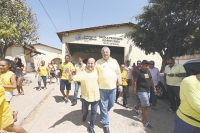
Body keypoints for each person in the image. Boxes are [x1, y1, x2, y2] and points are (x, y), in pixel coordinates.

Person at [66, 58, 99, 133]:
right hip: (85, 97)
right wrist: (70, 75)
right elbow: (73, 79)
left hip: (96, 97)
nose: (90, 65)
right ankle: (85, 114)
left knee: (94, 112)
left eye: (92, 63)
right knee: (84, 111)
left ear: (94, 64)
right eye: (88, 63)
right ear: (86, 63)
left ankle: (91, 127)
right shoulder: (82, 72)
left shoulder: (97, 70)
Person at [95, 47, 122, 133]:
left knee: (111, 103)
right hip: (102, 88)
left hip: (113, 88)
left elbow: (118, 73)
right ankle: (106, 125)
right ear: (101, 54)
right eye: (103, 52)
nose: (105, 53)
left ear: (109, 53)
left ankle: (104, 113)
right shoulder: (98, 62)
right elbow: (92, 71)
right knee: (103, 106)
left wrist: (120, 84)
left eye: (107, 52)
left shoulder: (115, 61)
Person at [133, 60, 157, 128]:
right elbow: (135, 81)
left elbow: (151, 80)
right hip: (141, 90)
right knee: (146, 104)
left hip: (148, 90)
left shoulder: (148, 71)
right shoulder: (138, 72)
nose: (147, 67)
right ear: (142, 65)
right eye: (145, 66)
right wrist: (134, 89)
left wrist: (154, 88)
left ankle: (137, 106)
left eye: (148, 66)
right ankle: (144, 120)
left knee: (144, 102)